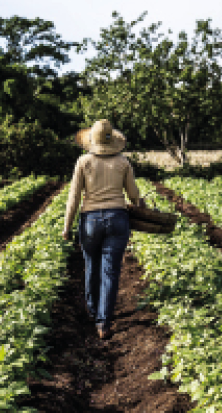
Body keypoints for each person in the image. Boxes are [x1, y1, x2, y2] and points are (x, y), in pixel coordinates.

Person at [62, 119, 146, 340]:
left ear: (92, 140)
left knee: (92, 266)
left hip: (90, 220)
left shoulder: (83, 161)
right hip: (118, 219)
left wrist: (67, 226)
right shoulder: (123, 162)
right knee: (110, 271)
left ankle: (92, 310)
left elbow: (73, 198)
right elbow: (134, 194)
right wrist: (141, 205)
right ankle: (104, 322)